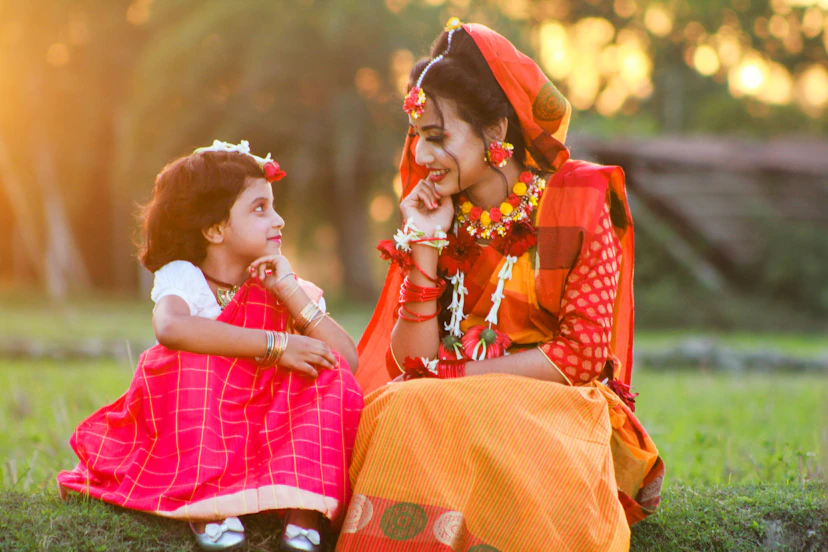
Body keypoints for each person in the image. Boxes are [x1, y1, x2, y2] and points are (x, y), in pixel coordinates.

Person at [337, 19, 664, 552]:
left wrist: (457, 376)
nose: (421, 157)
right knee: (394, 405)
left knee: (415, 405)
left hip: (559, 410)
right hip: (449, 405)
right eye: (417, 138)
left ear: (495, 132)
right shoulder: (442, 215)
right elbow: (413, 364)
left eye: (437, 137)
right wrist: (425, 242)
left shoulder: (577, 197)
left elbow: (580, 357)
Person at [57, 140, 364, 552]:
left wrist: (290, 290)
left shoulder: (283, 286)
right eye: (260, 209)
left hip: (265, 433)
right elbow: (170, 328)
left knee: (327, 376)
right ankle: (210, 505)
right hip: (205, 431)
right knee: (188, 363)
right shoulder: (186, 279)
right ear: (215, 229)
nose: (279, 220)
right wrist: (277, 345)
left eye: (273, 207)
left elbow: (346, 360)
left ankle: (303, 508)